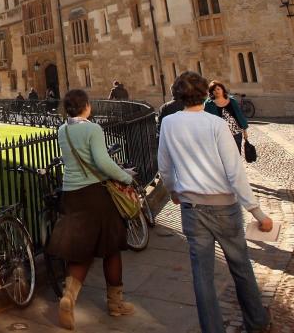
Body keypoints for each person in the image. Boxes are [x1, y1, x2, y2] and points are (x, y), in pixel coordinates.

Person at [159, 72, 273, 333]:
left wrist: (173, 192)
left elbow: (164, 167)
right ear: (204, 93)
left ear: (176, 95)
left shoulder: (168, 124)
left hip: (191, 207)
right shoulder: (215, 124)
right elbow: (235, 172)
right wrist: (256, 212)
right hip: (224, 206)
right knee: (241, 266)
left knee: (202, 275)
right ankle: (256, 321)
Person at [48, 88, 136, 328]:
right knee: (111, 247)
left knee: (82, 250)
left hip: (71, 195)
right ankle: (116, 304)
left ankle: (69, 297)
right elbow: (102, 161)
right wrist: (125, 177)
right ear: (86, 105)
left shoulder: (62, 130)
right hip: (94, 194)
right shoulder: (92, 128)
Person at [204, 81, 249, 151]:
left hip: (236, 133)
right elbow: (206, 121)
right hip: (220, 136)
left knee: (237, 154)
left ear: (222, 89)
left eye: (218, 89)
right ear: (211, 92)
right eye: (213, 90)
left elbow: (240, 116)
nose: (216, 91)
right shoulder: (209, 104)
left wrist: (245, 132)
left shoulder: (232, 101)